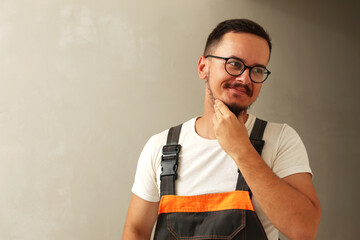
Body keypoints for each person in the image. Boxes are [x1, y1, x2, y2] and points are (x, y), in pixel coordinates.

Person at [123, 19, 321, 240]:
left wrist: (242, 150)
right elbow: (136, 231)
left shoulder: (280, 139)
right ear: (203, 67)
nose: (245, 78)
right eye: (234, 64)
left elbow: (304, 230)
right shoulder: (161, 147)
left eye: (257, 70)